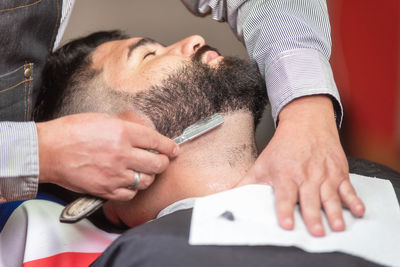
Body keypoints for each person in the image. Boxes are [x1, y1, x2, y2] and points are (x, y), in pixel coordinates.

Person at [2, 31, 396, 267]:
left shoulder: (379, 183)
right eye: (149, 54)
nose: (193, 39)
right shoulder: (147, 257)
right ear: (104, 143)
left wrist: (307, 104)